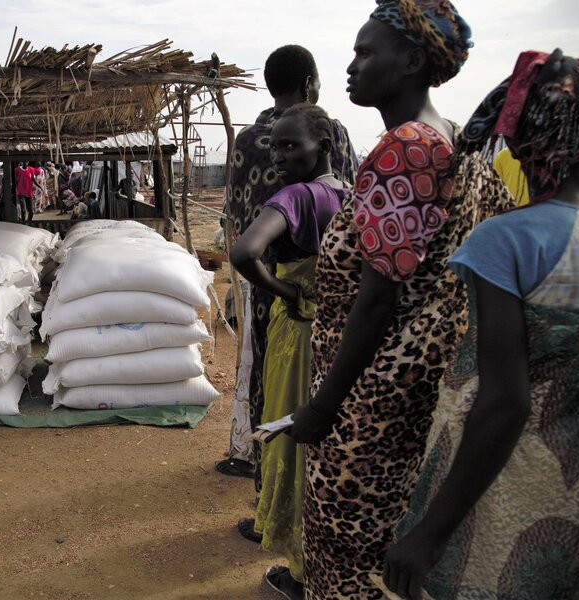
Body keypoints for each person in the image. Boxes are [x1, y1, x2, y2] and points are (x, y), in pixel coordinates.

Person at [282, 2, 515, 598]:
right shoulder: (453, 141)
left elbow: (378, 299)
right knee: (385, 548)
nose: (351, 66)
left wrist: (324, 406)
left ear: (411, 61)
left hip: (368, 399)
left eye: (366, 52)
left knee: (346, 551)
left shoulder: (405, 150)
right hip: (413, 389)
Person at [381, 49, 579, 600]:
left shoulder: (510, 239)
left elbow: (506, 401)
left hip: (517, 486)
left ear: (527, 139)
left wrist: (430, 532)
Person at [219, 45, 360, 483]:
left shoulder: (246, 141)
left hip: (265, 280)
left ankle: (268, 480)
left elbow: (236, 222)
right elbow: (351, 199)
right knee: (322, 377)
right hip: (329, 280)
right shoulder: (329, 132)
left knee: (266, 375)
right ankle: (301, 483)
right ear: (309, 84)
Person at [230, 104, 349, 597]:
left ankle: (300, 570)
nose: (278, 155)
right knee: (327, 447)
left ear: (321, 144)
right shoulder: (349, 190)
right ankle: (320, 556)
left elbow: (242, 252)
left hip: (298, 332)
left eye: (290, 145)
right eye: (274, 145)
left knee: (293, 438)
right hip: (339, 331)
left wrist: (286, 292)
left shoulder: (297, 197)